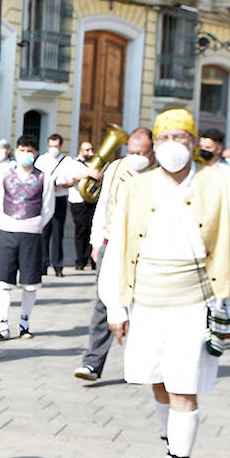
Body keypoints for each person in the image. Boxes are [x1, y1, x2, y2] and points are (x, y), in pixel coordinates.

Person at [99, 109, 230, 458]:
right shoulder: (137, 186)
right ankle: (170, 454)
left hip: (194, 302)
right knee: (158, 382)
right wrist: (116, 306)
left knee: (185, 386)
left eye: (180, 138)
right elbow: (117, 249)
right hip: (146, 302)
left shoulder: (219, 183)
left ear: (194, 142)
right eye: (164, 138)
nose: (172, 146)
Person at [74, 128, 153, 381]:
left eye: (141, 153)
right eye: (131, 152)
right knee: (104, 301)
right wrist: (96, 241)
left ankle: (138, 365)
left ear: (152, 151)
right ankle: (92, 363)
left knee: (141, 305)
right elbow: (104, 203)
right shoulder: (116, 168)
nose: (135, 157)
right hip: (112, 243)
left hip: (145, 247)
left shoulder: (160, 174)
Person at [0, 135, 54, 341]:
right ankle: (3, 324)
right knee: (2, 281)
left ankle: (25, 322)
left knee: (30, 282)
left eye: (30, 151)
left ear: (36, 154)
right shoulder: (4, 174)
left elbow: (48, 206)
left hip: (31, 232)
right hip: (7, 230)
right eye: (23, 150)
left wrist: (35, 224)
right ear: (16, 151)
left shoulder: (45, 177)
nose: (26, 154)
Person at [35, 133, 76, 277]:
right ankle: (42, 264)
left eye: (56, 146)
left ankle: (58, 265)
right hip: (45, 197)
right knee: (44, 232)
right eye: (51, 146)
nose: (54, 149)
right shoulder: (42, 160)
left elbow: (73, 180)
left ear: (60, 146)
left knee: (58, 233)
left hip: (60, 197)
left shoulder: (67, 161)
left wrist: (63, 185)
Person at [68, 139, 98, 270]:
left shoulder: (95, 163)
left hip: (92, 200)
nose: (90, 152)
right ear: (80, 151)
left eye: (91, 149)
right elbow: (71, 178)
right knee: (81, 231)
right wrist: (88, 174)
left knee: (92, 230)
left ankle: (93, 260)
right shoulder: (73, 163)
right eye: (87, 150)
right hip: (78, 201)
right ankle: (80, 260)